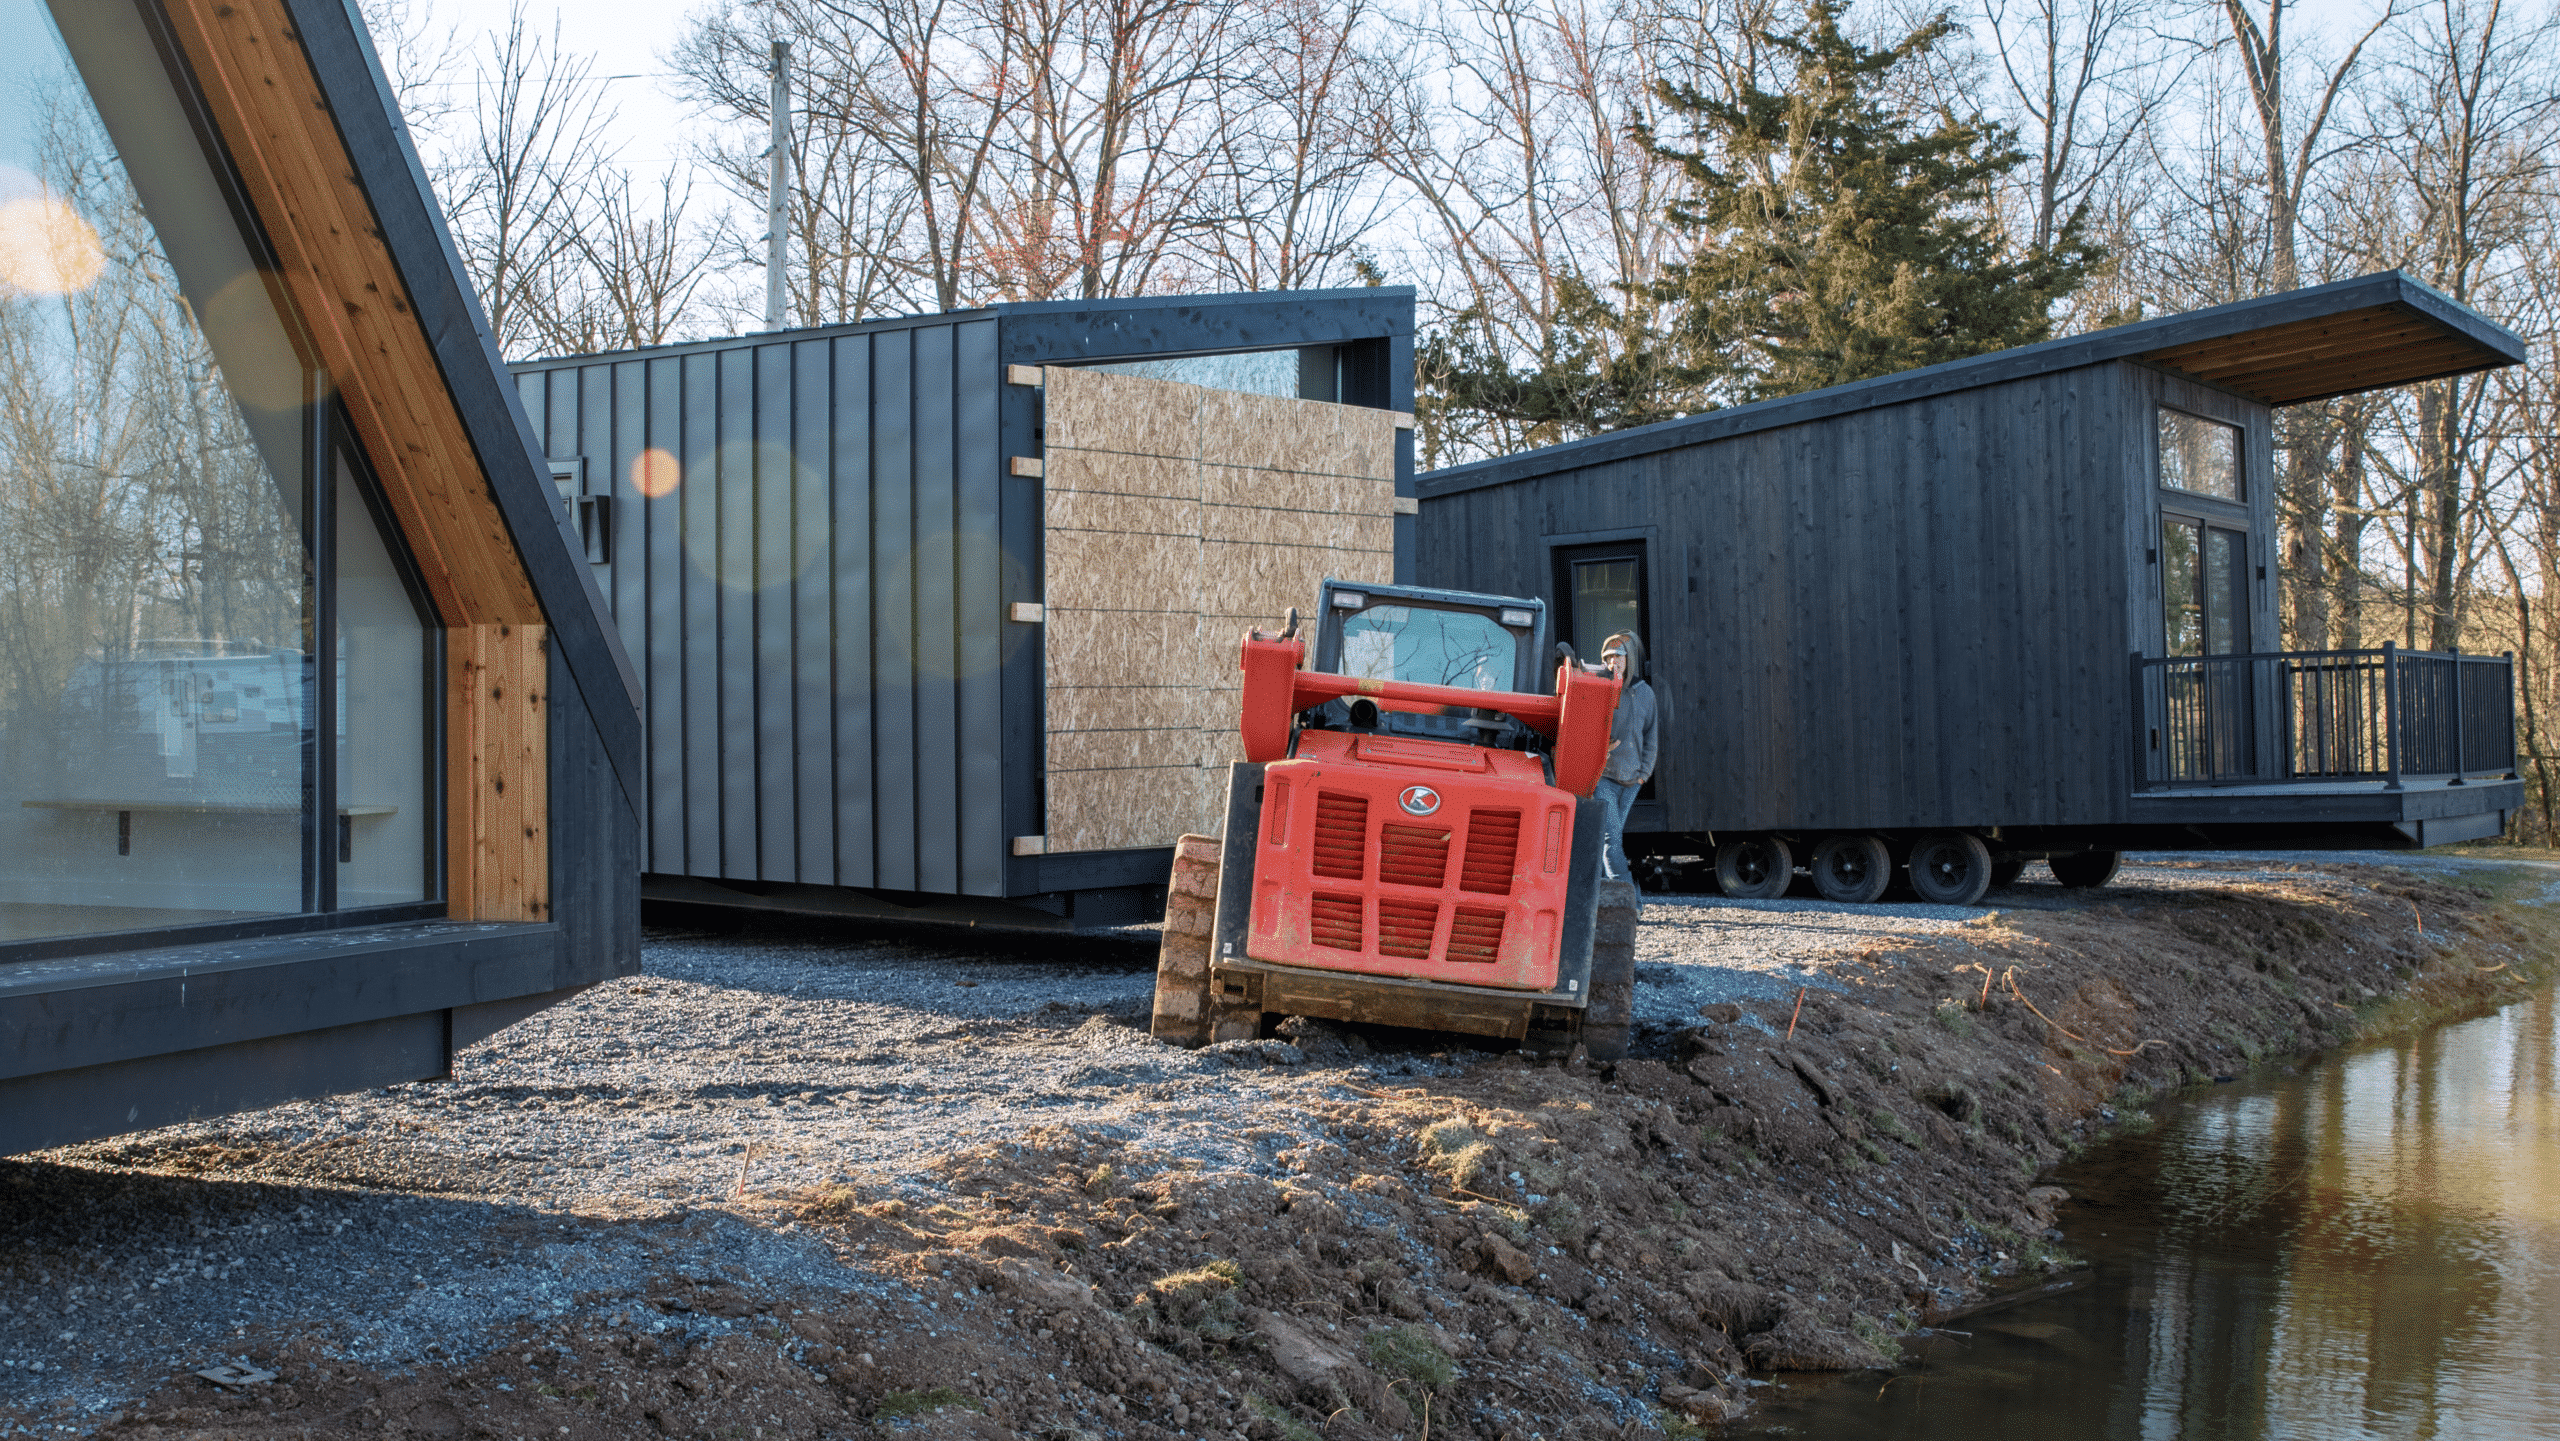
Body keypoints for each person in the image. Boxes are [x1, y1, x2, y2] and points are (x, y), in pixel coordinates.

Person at [1595, 632, 1657, 883]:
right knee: (1611, 840)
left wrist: (1644, 774)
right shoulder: (1599, 688)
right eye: (1608, 658)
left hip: (1632, 781)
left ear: (1628, 659)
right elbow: (1585, 728)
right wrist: (1602, 745)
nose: (1613, 663)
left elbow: (1651, 735)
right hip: (1604, 777)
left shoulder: (1644, 693)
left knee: (1608, 839)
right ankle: (1631, 902)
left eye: (1618, 657)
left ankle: (1602, 898)